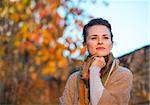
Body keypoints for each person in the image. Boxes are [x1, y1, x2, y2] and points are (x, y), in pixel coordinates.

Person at [59, 18, 133, 105]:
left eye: (105, 37)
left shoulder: (122, 74)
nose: (100, 42)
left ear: (111, 44)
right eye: (94, 38)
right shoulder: (74, 79)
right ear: (85, 44)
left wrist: (94, 70)